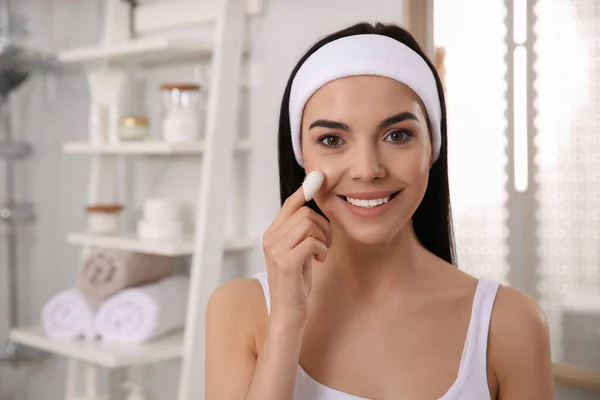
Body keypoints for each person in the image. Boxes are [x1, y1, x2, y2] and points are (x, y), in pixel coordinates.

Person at [205, 22, 555, 399]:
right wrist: (287, 320)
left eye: (397, 135)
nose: (368, 169)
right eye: (332, 139)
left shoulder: (510, 324)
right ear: (301, 156)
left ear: (432, 147)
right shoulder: (238, 310)